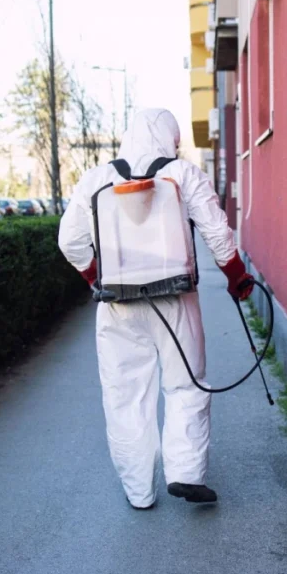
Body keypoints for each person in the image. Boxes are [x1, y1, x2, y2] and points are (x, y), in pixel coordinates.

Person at [58, 108, 253, 509]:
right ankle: (185, 473)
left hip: (118, 308)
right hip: (177, 300)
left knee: (125, 394)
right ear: (168, 138)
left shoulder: (97, 179)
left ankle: (139, 492)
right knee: (186, 384)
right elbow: (217, 231)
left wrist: (96, 279)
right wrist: (237, 278)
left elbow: (70, 241)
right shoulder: (182, 174)